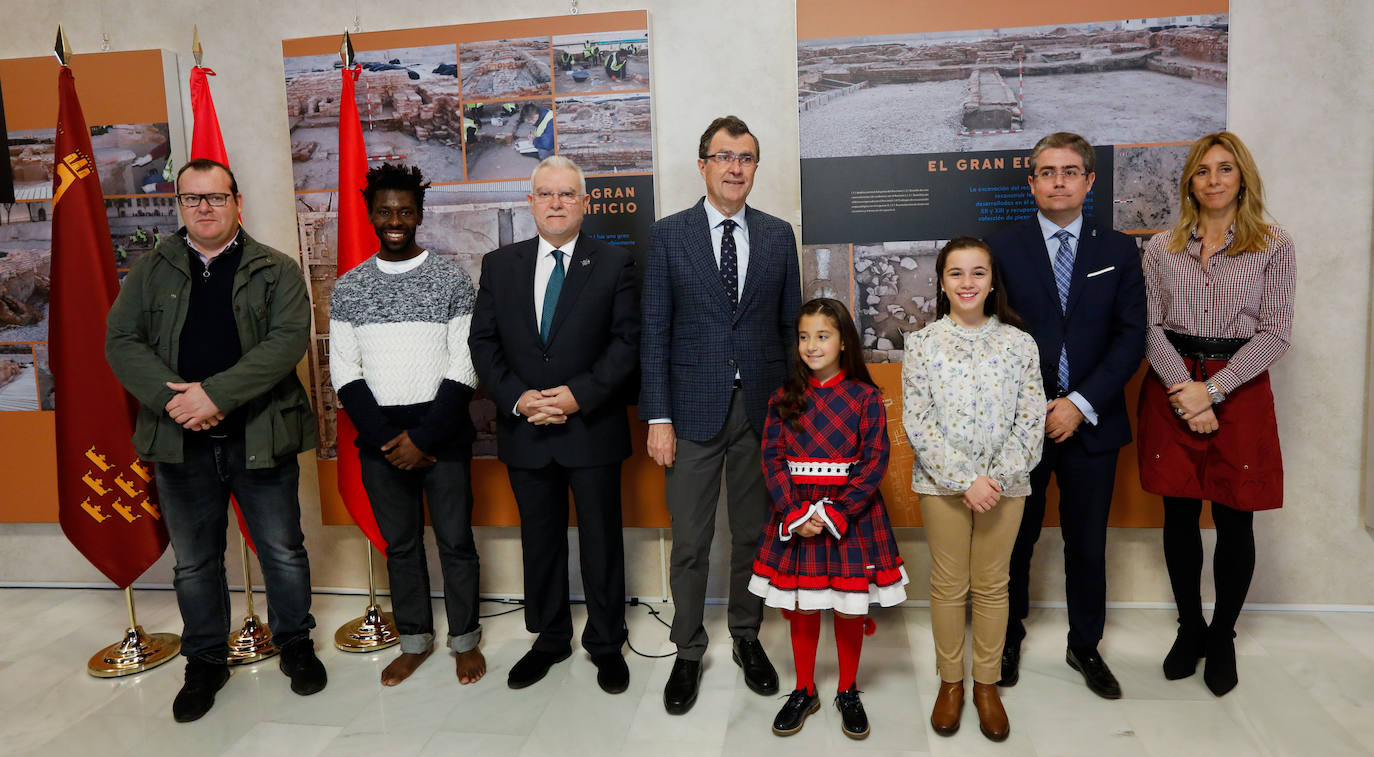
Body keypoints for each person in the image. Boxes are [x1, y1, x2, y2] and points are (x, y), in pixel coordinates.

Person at [105, 158, 324, 722]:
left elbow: (286, 342)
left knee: (281, 549)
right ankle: (204, 660)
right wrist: (177, 400)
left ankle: (295, 644)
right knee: (195, 563)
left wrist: (217, 395)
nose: (204, 208)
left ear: (237, 201)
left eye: (216, 197)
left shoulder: (275, 269)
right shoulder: (150, 269)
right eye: (192, 199)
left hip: (259, 433)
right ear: (179, 205)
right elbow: (122, 341)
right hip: (179, 441)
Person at [641, 115, 801, 714]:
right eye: (725, 157)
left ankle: (745, 635)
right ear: (703, 163)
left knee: (755, 536)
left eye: (748, 158)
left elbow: (790, 332)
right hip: (689, 416)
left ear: (756, 167)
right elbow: (654, 332)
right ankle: (687, 650)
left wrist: (793, 416)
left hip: (763, 415)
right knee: (691, 539)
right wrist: (658, 416)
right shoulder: (668, 236)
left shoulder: (779, 235)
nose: (736, 168)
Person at [469, 156, 640, 694]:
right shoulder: (500, 265)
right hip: (526, 429)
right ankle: (549, 638)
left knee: (601, 542)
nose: (557, 202)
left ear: (585, 202)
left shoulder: (614, 264)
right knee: (539, 541)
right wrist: (520, 399)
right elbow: (483, 343)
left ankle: (607, 643)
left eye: (568, 194)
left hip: (591, 428)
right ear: (531, 202)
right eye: (546, 194)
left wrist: (576, 397)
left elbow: (627, 343)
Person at [987, 131, 1145, 699]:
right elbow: (990, 336)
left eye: (1070, 171)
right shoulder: (1000, 248)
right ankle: (1005, 639)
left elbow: (1131, 339)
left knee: (1087, 542)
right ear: (1030, 182)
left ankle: (1085, 645)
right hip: (1018, 428)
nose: (1059, 181)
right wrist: (1035, 409)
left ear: (1089, 180)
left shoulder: (1119, 250)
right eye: (1047, 172)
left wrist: (1078, 404)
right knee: (1016, 539)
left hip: (1091, 422)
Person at [1137, 131, 1295, 697]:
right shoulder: (1160, 248)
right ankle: (1190, 627)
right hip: (1172, 382)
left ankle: (1223, 634)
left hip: (1241, 386)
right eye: (1202, 171)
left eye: (1224, 169)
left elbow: (1276, 333)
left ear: (1242, 178)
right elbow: (1149, 327)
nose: (1213, 180)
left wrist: (1215, 390)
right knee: (1179, 516)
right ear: (1189, 183)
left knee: (1235, 516)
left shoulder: (1274, 245)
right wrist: (1185, 387)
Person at [328, 163, 485, 687]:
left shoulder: (451, 279)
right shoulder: (349, 289)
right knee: (400, 546)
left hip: (442, 438)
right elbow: (344, 374)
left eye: (405, 210)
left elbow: (463, 367)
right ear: (371, 215)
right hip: (380, 443)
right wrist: (390, 442)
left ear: (420, 213)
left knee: (456, 542)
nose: (395, 219)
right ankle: (414, 641)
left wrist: (422, 439)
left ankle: (464, 641)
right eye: (385, 210)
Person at [903, 238, 1045, 742]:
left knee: (992, 584)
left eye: (977, 273)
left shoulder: (1018, 344)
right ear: (941, 282)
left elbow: (1031, 421)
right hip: (942, 486)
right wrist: (966, 480)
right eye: (956, 273)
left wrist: (995, 481)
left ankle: (986, 684)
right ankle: (950, 683)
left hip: (1007, 486)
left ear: (991, 282)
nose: (967, 283)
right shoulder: (921, 344)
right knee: (948, 584)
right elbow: (917, 421)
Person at [750, 298, 908, 740]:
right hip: (797, 513)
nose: (812, 346)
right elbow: (772, 458)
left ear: (843, 342)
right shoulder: (783, 397)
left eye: (823, 336)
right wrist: (795, 512)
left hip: (850, 518)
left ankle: (847, 689)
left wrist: (838, 511)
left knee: (847, 607)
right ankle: (803, 688)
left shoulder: (865, 397)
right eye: (804, 337)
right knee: (802, 605)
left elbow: (875, 461)